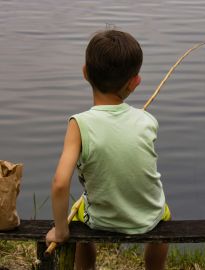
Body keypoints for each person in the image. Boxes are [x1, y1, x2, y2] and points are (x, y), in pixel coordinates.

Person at [46, 29, 171, 270]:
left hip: (101, 220)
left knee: (81, 213)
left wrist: (61, 230)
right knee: (166, 213)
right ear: (135, 82)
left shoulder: (78, 124)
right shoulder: (147, 120)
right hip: (148, 219)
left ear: (85, 73)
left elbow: (60, 183)